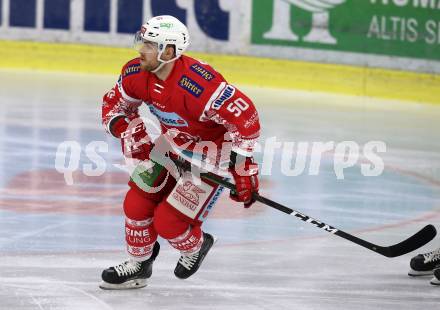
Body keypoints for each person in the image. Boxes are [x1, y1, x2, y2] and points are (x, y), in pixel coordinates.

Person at [99, 15, 260, 289]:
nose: (140, 50)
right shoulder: (136, 73)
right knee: (136, 205)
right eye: (142, 42)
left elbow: (246, 118)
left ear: (169, 51)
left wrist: (243, 167)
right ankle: (140, 266)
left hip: (210, 156)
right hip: (171, 145)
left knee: (168, 223)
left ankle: (196, 246)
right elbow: (113, 106)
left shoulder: (199, 85)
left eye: (149, 45)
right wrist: (126, 128)